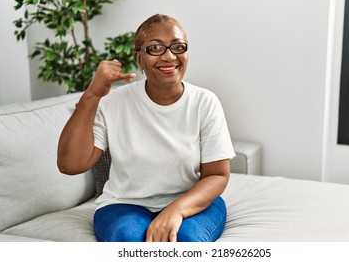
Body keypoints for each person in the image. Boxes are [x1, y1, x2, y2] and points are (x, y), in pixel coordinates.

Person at [57, 13, 235, 242]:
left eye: (178, 47)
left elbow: (218, 175)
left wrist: (175, 210)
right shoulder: (112, 103)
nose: (169, 56)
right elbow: (70, 164)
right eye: (155, 48)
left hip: (191, 200)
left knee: (187, 241)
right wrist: (92, 95)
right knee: (131, 240)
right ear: (139, 58)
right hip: (124, 204)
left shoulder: (204, 101)